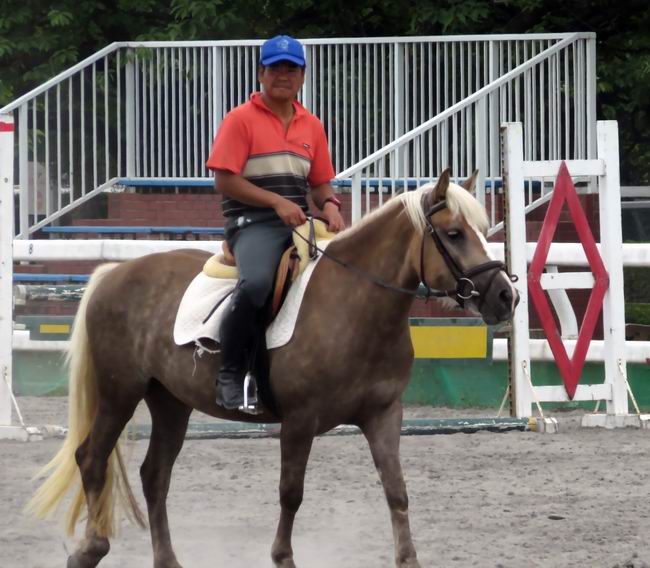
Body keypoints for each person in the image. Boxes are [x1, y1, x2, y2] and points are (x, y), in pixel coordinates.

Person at [206, 34, 345, 410]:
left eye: (291, 68)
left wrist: (330, 204)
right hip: (252, 223)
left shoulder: (311, 125)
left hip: (297, 223)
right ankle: (231, 372)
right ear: (261, 74)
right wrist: (276, 202)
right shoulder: (240, 120)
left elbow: (318, 183)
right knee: (257, 285)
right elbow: (224, 179)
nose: (283, 74)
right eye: (275, 67)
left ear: (301, 76)